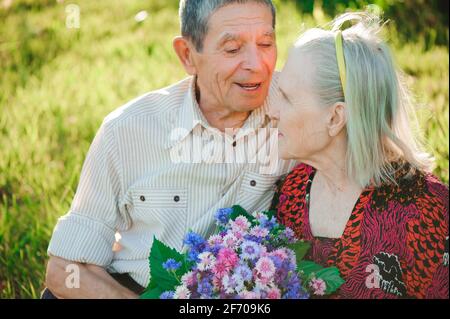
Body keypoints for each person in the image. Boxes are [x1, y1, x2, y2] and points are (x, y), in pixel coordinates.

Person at [43, 0, 295, 299]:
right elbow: (65, 270)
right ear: (188, 55)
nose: (257, 64)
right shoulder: (126, 131)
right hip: (136, 289)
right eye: (232, 49)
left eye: (266, 43)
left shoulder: (298, 109)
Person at [269, 12, 449, 298]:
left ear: (335, 117)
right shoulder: (289, 193)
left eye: (287, 98)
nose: (272, 112)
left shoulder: (426, 210)